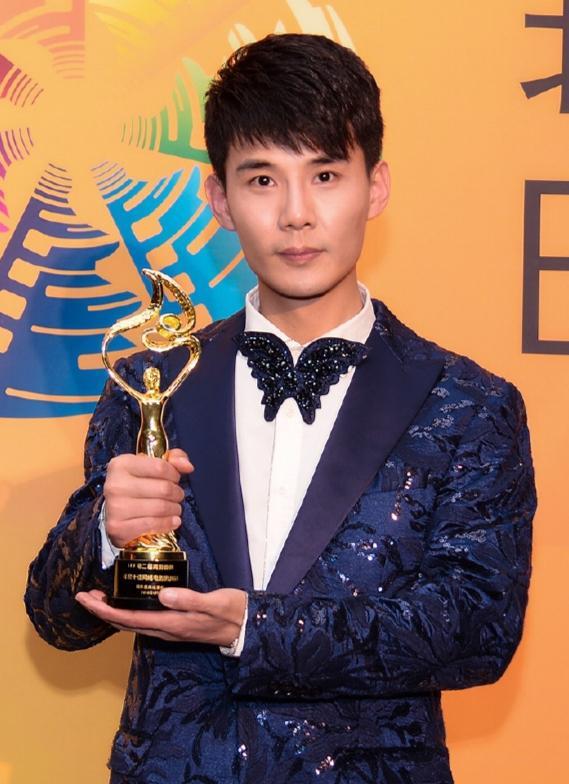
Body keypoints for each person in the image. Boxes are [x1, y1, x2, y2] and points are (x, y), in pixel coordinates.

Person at [25, 33, 536, 784]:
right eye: (262, 179)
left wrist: (252, 629)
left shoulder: (467, 405)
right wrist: (103, 531)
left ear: (375, 186)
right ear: (219, 200)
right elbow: (56, 620)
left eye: (325, 175)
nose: (296, 214)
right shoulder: (150, 383)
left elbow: (477, 630)